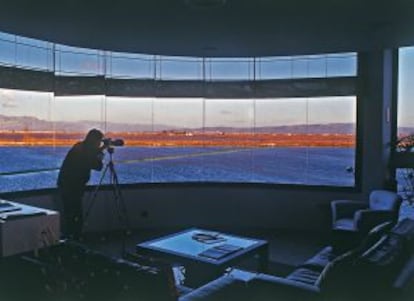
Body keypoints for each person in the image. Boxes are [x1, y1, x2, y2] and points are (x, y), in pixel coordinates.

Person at [57, 128, 105, 240]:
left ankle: (72, 238)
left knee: (71, 214)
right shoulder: (85, 151)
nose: (99, 144)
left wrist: (100, 149)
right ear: (95, 141)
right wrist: (101, 152)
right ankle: (75, 238)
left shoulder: (79, 147)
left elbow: (89, 156)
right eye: (99, 141)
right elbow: (98, 166)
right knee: (76, 215)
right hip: (72, 187)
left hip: (66, 185)